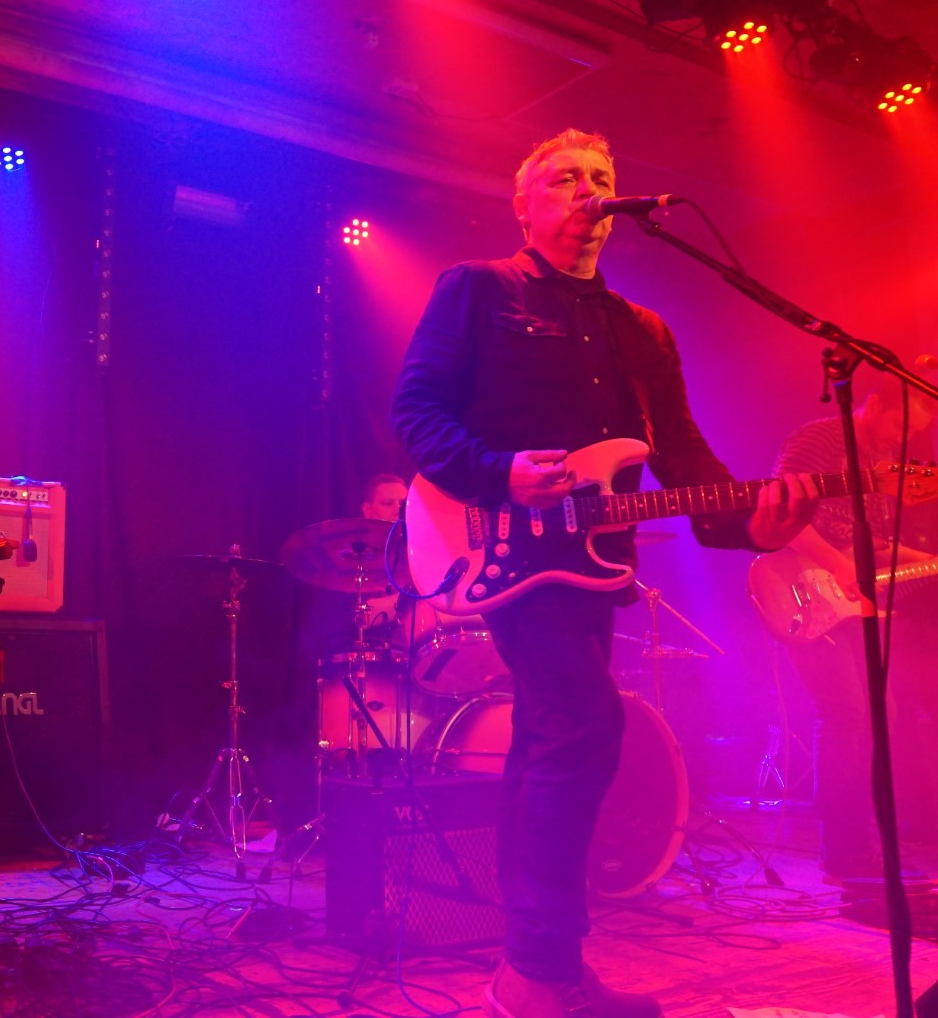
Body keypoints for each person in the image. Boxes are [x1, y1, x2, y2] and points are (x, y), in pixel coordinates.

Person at [391, 129, 818, 1018]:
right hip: (502, 546)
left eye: (601, 177)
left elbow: (684, 455)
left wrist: (752, 524)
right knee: (583, 724)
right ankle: (538, 973)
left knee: (554, 738)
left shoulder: (642, 330)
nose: (588, 190)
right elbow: (416, 410)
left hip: (592, 562)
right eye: (565, 178)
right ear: (524, 205)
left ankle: (531, 971)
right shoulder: (477, 288)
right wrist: (497, 472)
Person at [772, 372, 937, 882]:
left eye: (915, 434)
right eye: (901, 426)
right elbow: (781, 514)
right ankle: (844, 854)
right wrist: (839, 567)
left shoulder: (879, 471)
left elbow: (875, 549)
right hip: (797, 587)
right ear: (874, 404)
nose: (903, 440)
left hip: (847, 603)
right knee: (845, 712)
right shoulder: (821, 439)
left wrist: (930, 562)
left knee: (880, 713)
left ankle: (860, 847)